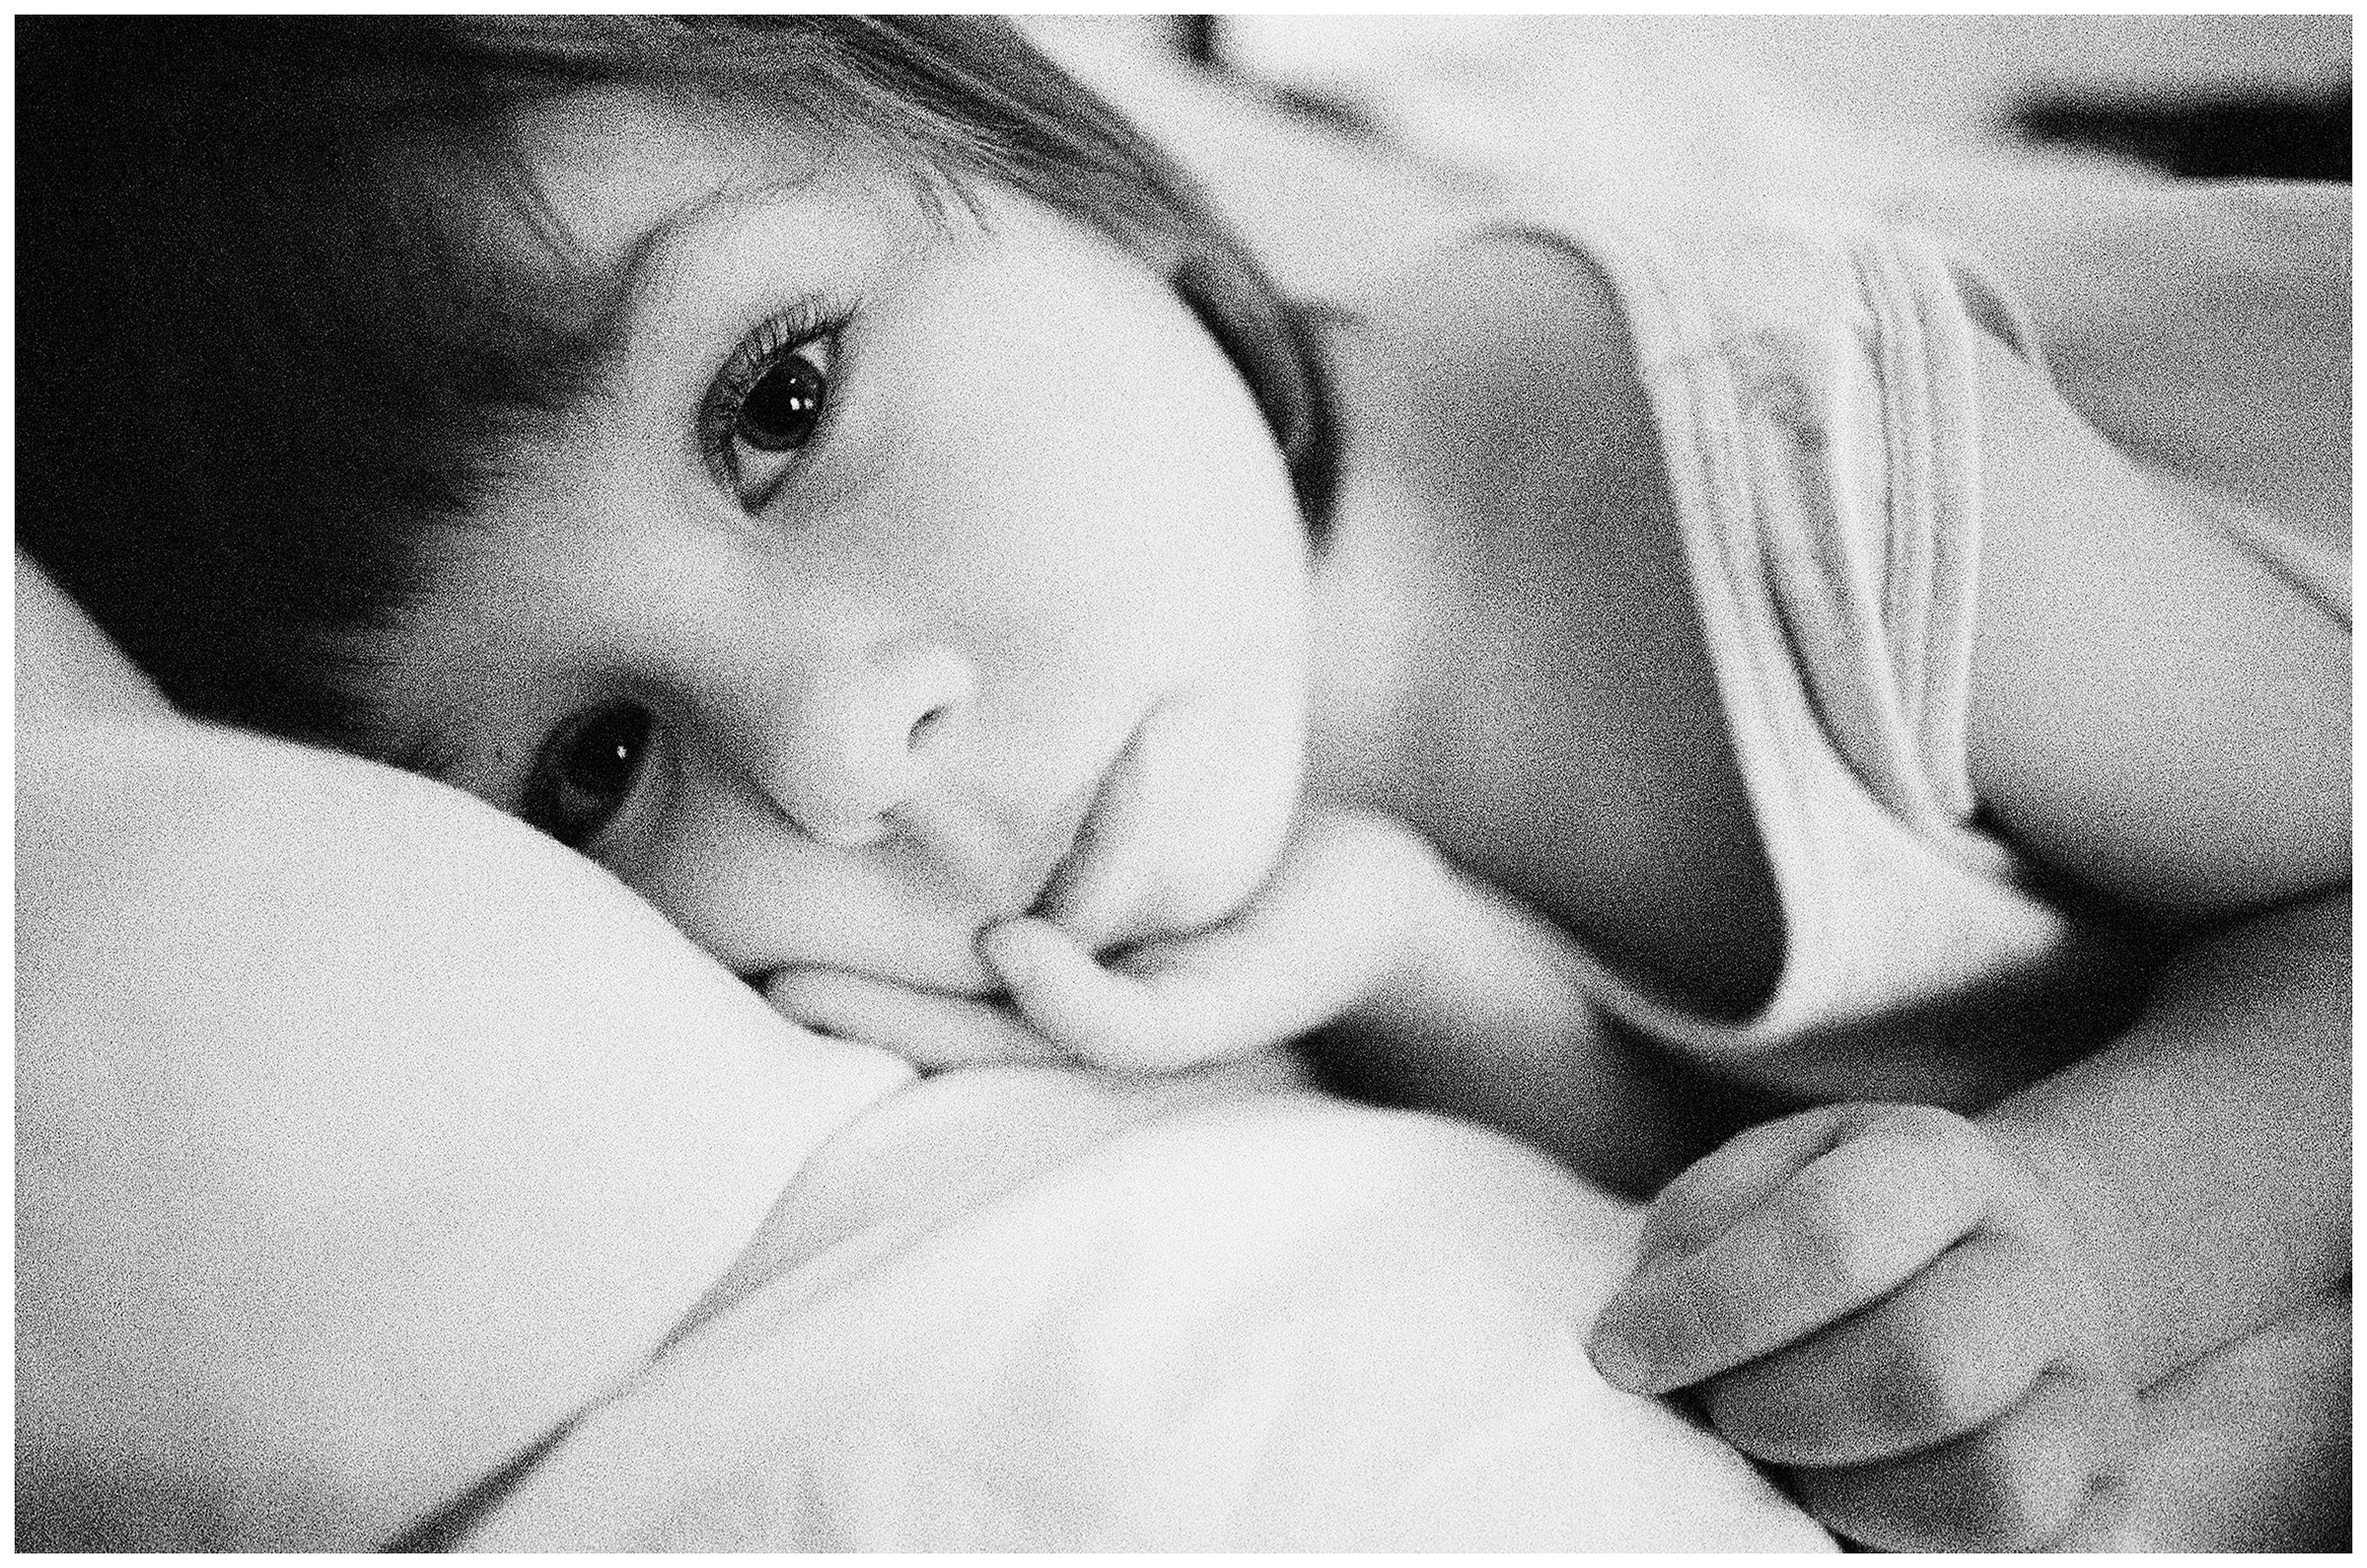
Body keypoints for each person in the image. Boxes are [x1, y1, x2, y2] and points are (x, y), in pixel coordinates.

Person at [17, 15, 2346, 1552]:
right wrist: (1409, 941)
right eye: (595, 760)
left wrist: (2115, 1230)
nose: (835, 756)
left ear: (1068, 177)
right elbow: (1726, 1152)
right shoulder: (1204, 875)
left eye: (780, 401)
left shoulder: (1797, 488)